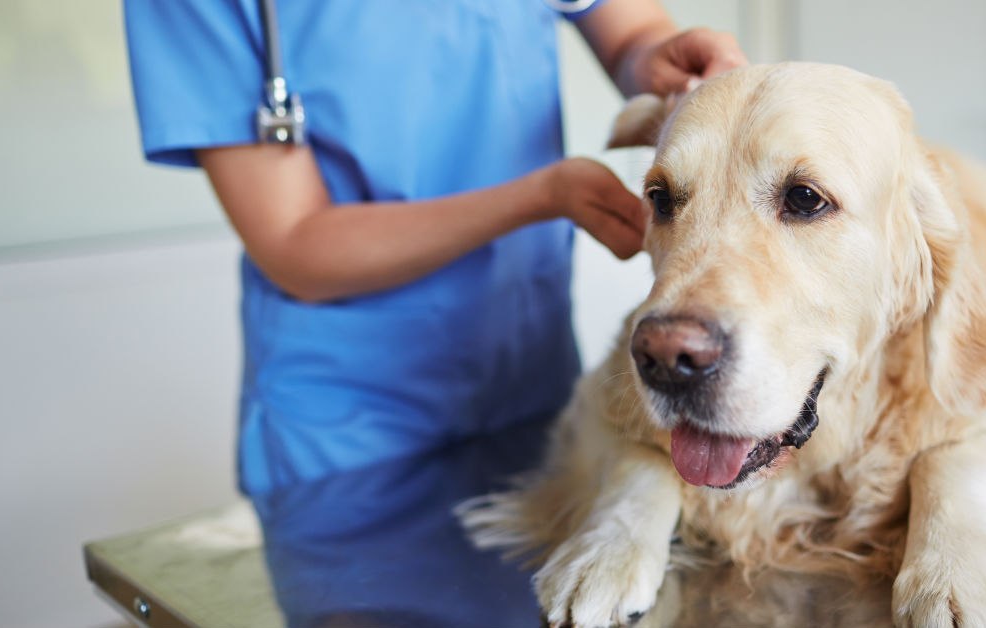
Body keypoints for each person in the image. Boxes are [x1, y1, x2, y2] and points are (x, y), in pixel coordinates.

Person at [124, 0, 747, 495]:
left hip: (529, 371)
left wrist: (651, 57)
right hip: (350, 420)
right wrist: (541, 195)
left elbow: (630, 31)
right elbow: (293, 243)